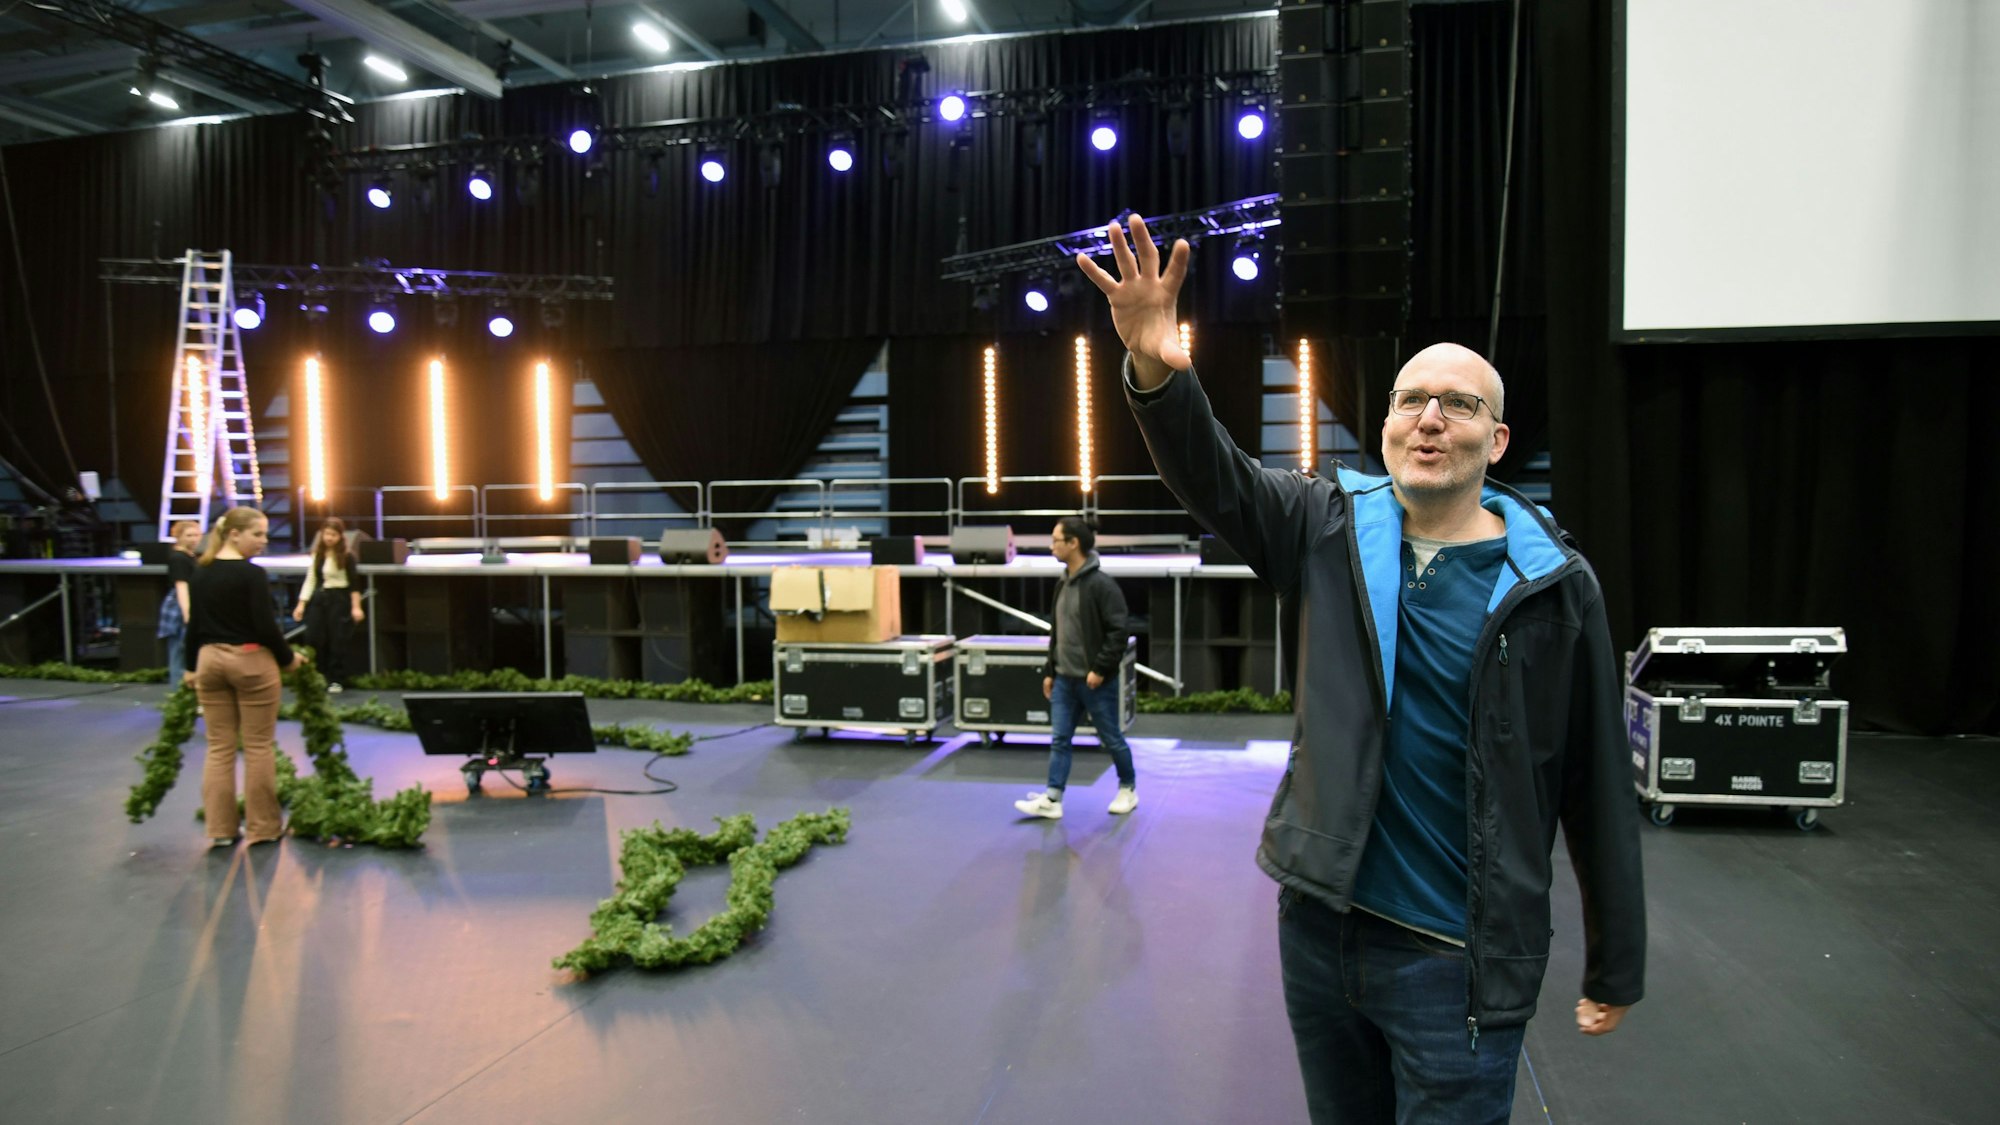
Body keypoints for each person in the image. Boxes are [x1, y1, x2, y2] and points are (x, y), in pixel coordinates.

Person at [1078, 215, 1644, 1122]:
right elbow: (1213, 476)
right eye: (1410, 398)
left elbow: (1596, 780)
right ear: (1384, 424)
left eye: (1457, 404)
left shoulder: (1554, 586)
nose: (1429, 418)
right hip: (1321, 934)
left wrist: (1616, 957)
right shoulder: (1326, 525)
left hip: (1456, 957)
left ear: (1495, 442)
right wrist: (1155, 364)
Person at [185, 507, 307, 849]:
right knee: (257, 747)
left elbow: (193, 626)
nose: (264, 542)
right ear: (233, 534)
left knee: (219, 748)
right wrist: (288, 659)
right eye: (258, 534)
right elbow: (265, 627)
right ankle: (264, 827)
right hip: (251, 662)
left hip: (209, 661)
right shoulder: (251, 575)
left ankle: (220, 830)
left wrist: (189, 666)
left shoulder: (201, 572)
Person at [1015, 516, 1140, 820]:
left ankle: (1128, 789)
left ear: (1074, 543)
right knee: (1060, 739)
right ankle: (1053, 798)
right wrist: (1050, 670)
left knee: (1111, 738)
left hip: (1094, 681)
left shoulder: (1101, 585)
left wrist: (1099, 669)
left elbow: (1118, 632)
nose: (1052, 546)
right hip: (1064, 680)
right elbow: (1057, 632)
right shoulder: (1062, 583)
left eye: (1056, 540)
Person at [292, 517, 363, 691]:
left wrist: (356, 607)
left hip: (339, 598)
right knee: (313, 636)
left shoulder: (347, 556)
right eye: (326, 534)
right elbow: (311, 579)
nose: (329, 538)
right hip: (320, 597)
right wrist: (301, 604)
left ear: (340, 536)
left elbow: (354, 584)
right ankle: (318, 675)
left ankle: (336, 679)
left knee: (337, 639)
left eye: (333, 534)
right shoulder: (319, 554)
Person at [156, 520, 201, 687]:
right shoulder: (179, 559)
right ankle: (177, 694)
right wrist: (187, 615)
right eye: (189, 535)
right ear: (178, 537)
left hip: (190, 604)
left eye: (196, 535)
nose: (194, 539)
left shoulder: (191, 557)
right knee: (178, 654)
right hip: (180, 608)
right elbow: (181, 587)